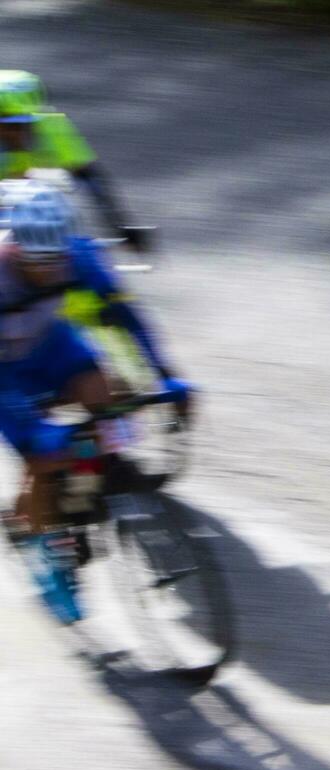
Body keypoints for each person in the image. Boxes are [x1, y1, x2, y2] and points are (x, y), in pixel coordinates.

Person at [0, 181, 187, 622]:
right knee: (45, 457)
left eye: (57, 259)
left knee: (111, 398)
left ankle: (96, 476)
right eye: (38, 261)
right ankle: (38, 541)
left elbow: (125, 317)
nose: (50, 269)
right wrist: (37, 434)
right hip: (3, 372)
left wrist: (168, 376)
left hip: (50, 345)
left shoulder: (78, 254)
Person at [0, 70, 149, 252]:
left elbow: (90, 179)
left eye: (22, 124)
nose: (13, 133)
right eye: (5, 124)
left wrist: (119, 225)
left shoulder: (52, 126)